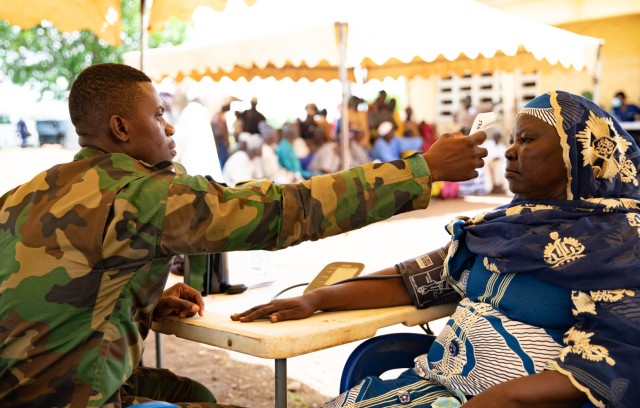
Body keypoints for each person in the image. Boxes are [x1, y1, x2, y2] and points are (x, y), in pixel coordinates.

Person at [0, 63, 488, 407]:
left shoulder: (28, 192)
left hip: (17, 382)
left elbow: (51, 279)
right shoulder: (141, 195)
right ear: (121, 127)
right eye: (158, 115)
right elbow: (284, 211)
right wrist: (421, 170)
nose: (169, 128)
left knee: (193, 394)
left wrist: (138, 296)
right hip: (61, 394)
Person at [231, 90, 640, 408]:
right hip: (430, 390)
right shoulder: (506, 226)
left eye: (528, 139)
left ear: (583, 154)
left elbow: (609, 362)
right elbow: (415, 280)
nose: (510, 150)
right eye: (512, 139)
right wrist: (316, 299)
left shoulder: (621, 244)